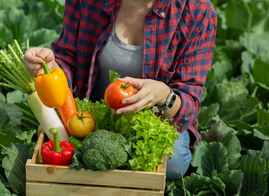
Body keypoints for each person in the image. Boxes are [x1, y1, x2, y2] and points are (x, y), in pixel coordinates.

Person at [24, 0, 217, 180]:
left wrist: (163, 95)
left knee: (175, 164)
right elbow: (67, 58)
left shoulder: (198, 12)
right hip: (90, 114)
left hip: (157, 117)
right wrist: (51, 66)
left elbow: (189, 105)